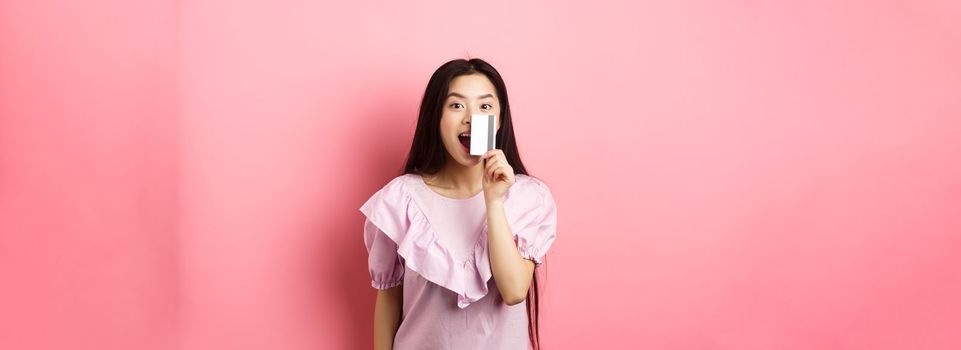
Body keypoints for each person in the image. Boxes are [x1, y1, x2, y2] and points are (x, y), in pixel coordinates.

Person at [361, 58, 557, 350]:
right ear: (436, 117)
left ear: (500, 120)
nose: (471, 117)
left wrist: (493, 200)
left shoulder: (528, 197)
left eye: (485, 106)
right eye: (456, 105)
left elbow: (514, 291)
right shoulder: (399, 200)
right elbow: (389, 300)